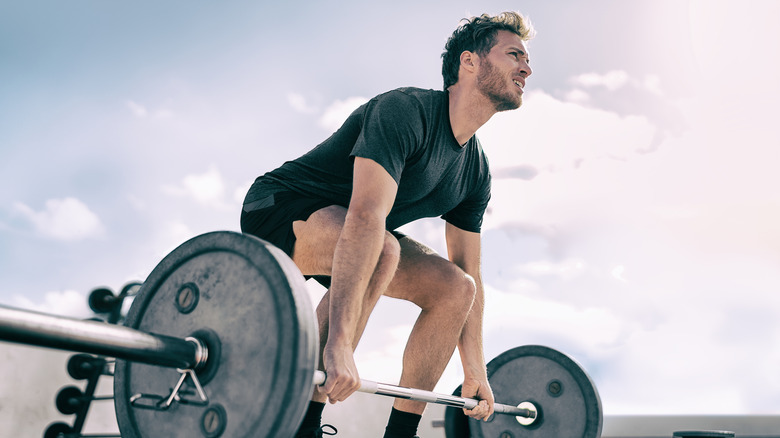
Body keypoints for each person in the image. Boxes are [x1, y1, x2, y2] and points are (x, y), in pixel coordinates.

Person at [241, 11, 534, 438]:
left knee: (457, 288)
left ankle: (401, 433)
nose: (527, 68)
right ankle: (301, 425)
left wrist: (475, 371)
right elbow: (365, 217)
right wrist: (338, 345)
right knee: (382, 247)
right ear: (469, 62)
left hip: (357, 232)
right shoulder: (406, 110)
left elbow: (470, 271)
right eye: (514, 55)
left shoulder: (475, 171)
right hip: (278, 207)